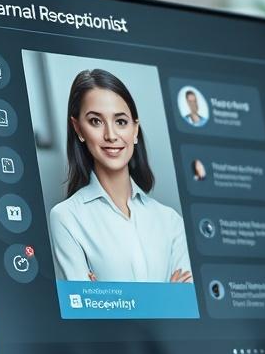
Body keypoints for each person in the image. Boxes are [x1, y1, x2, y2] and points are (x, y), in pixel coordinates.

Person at [49, 69, 193, 283]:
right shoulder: (66, 218)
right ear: (78, 128)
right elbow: (86, 310)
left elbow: (185, 307)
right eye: (96, 121)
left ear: (135, 129)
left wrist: (109, 298)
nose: (111, 135)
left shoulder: (170, 221)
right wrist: (166, 295)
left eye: (121, 122)